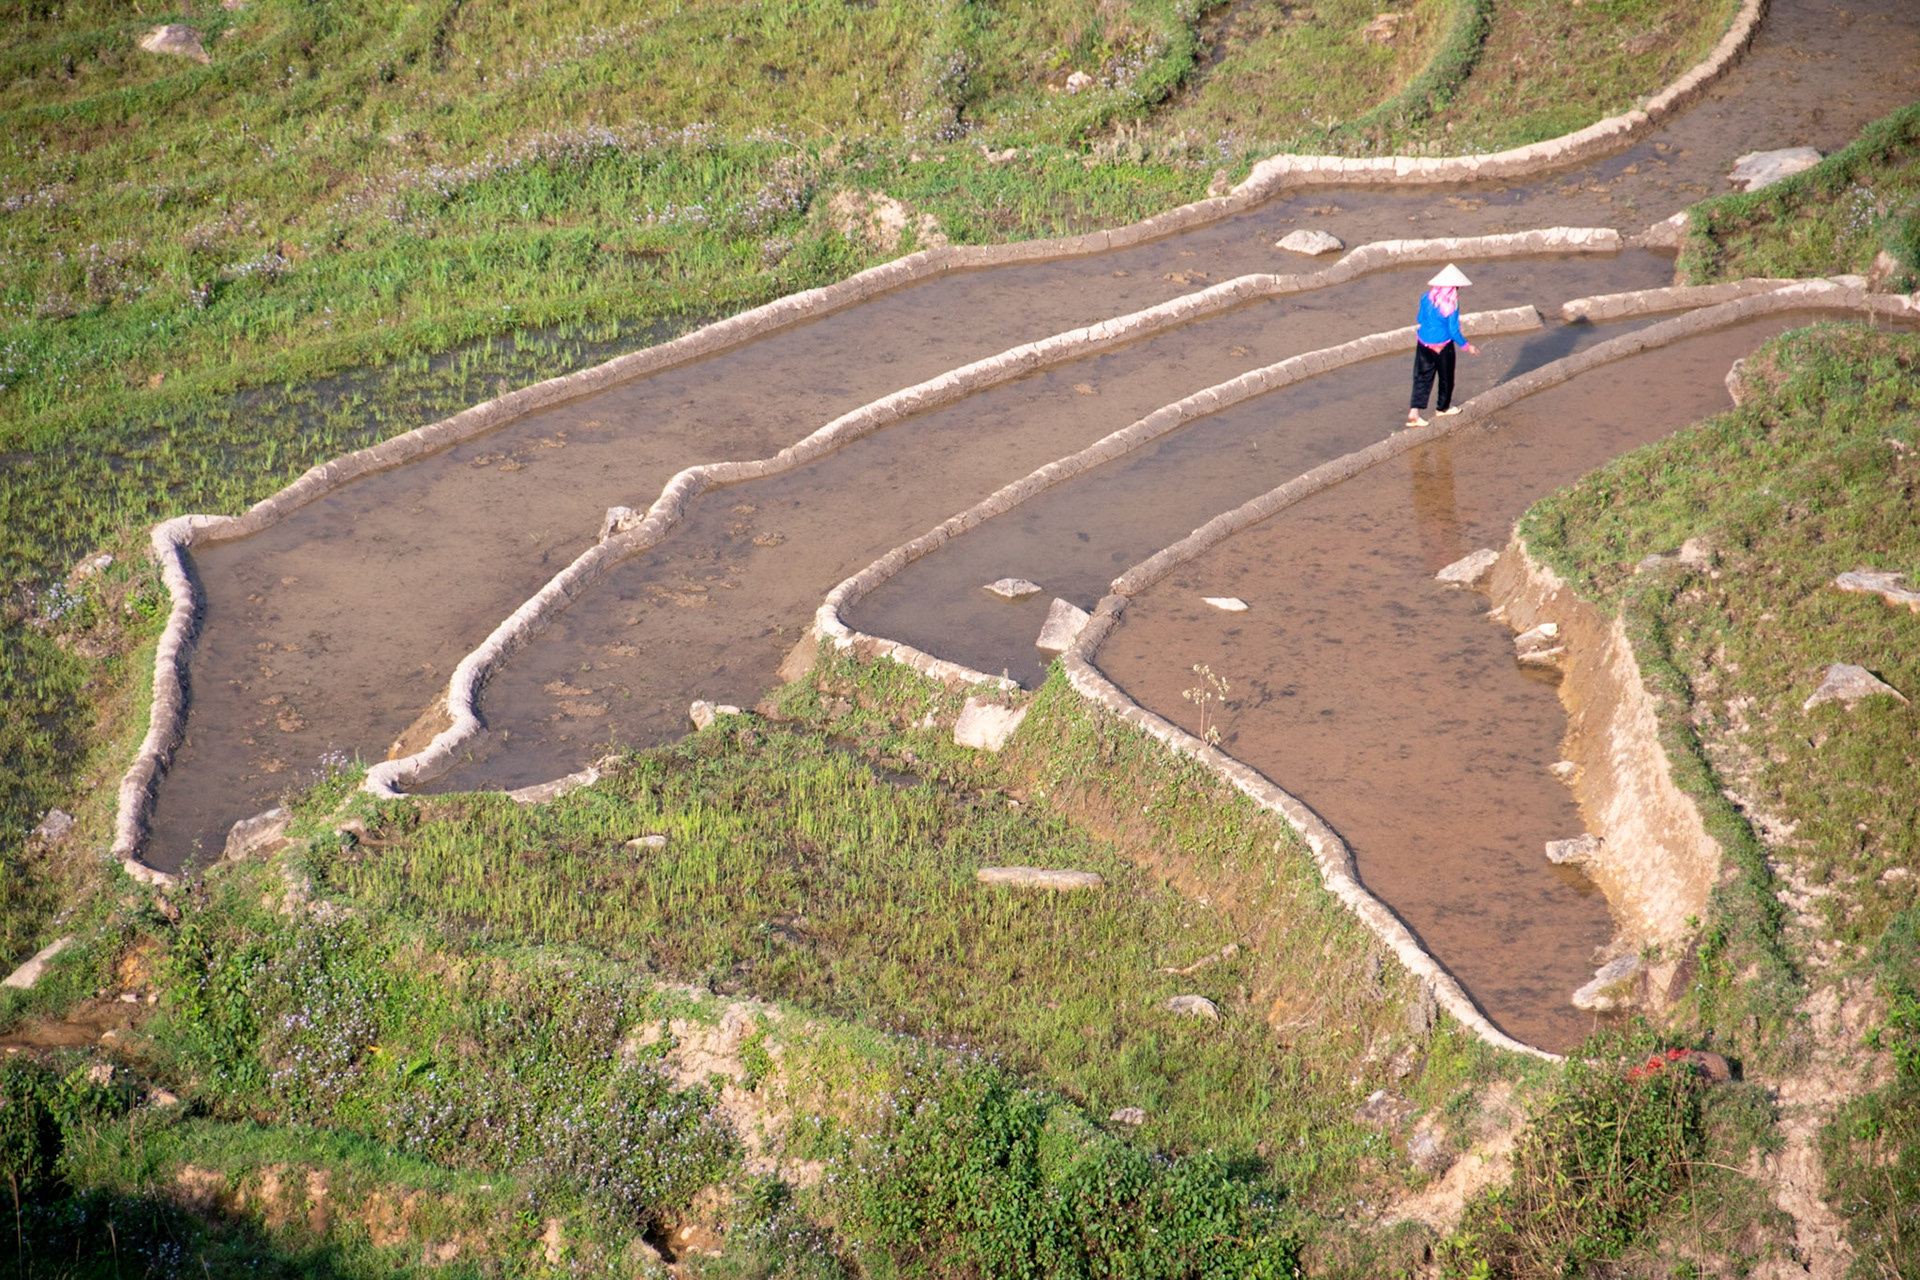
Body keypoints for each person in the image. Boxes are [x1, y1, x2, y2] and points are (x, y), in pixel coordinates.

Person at [1405, 264, 1478, 428]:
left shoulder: (1425, 297)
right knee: (1446, 377)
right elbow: (1453, 330)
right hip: (1443, 345)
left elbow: (1420, 318)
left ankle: (1414, 412)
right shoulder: (1452, 304)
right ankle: (1442, 408)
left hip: (1423, 342)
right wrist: (1467, 346)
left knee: (1422, 377)